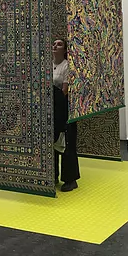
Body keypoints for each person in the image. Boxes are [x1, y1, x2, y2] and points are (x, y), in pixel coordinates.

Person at [52, 38, 80, 192]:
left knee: (67, 143)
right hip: (52, 110)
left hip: (65, 110)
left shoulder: (67, 66)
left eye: (59, 44)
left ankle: (71, 179)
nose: (55, 46)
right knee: (53, 142)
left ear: (65, 49)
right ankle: (53, 175)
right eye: (54, 44)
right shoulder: (47, 65)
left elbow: (64, 91)